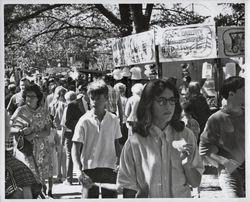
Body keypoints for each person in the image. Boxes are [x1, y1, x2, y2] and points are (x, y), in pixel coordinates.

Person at [117, 79, 204, 198]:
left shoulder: (186, 135)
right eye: (161, 101)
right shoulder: (134, 142)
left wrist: (187, 164)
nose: (168, 106)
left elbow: (195, 182)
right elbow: (128, 188)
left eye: (172, 100)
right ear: (148, 104)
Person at [72, 79, 122, 198]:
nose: (95, 101)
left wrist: (120, 163)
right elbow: (75, 148)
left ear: (106, 98)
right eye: (92, 98)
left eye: (98, 98)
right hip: (89, 169)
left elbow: (117, 143)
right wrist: (78, 171)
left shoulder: (113, 119)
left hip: (110, 168)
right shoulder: (84, 120)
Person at [199, 76, 245, 197]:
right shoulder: (216, 119)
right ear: (231, 94)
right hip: (230, 176)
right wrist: (225, 162)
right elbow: (204, 149)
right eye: (244, 90)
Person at [10, 84, 54, 198]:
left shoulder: (44, 111)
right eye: (27, 96)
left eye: (32, 96)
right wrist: (20, 131)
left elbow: (48, 131)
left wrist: (34, 134)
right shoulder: (20, 110)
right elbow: (9, 127)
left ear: (38, 97)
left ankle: (39, 196)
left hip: (42, 150)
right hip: (26, 150)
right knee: (27, 179)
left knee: (40, 180)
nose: (29, 98)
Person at [5, 110, 43, 199]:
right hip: (16, 152)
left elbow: (8, 127)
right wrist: (21, 131)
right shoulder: (16, 114)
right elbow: (8, 127)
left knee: (26, 175)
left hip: (18, 151)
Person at [49, 86, 67, 183]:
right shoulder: (65, 105)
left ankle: (58, 174)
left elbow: (50, 119)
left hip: (54, 130)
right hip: (62, 130)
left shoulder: (52, 104)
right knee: (63, 155)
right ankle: (64, 175)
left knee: (57, 155)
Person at [60, 91, 77, 185]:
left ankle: (69, 179)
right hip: (77, 133)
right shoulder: (80, 107)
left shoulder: (67, 108)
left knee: (69, 156)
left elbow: (64, 125)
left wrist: (62, 138)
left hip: (69, 134)